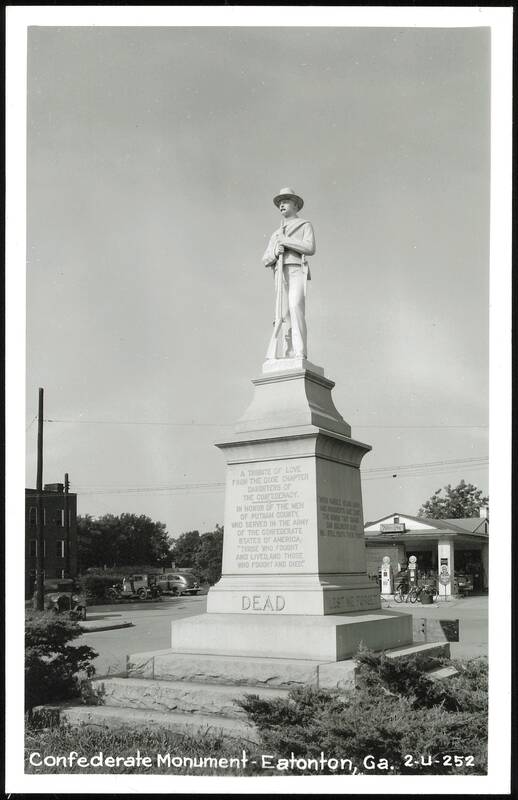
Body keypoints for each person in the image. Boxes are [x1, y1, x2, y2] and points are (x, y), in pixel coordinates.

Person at [262, 188, 315, 359]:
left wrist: (287, 242)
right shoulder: (276, 234)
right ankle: (287, 351)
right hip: (280, 273)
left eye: (285, 201)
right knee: (282, 315)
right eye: (279, 203)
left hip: (296, 269)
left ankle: (300, 351)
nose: (281, 205)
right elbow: (265, 259)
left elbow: (310, 247)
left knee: (295, 307)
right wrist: (276, 252)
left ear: (295, 205)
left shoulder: (304, 225)